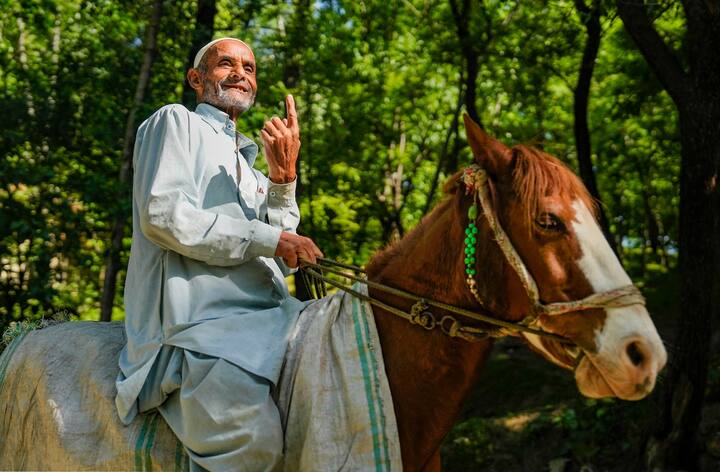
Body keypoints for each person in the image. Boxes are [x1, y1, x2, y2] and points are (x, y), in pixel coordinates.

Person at [114, 37, 322, 471]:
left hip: (274, 318)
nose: (240, 73)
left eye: (249, 67)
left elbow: (283, 247)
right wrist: (273, 240)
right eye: (225, 63)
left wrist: (283, 180)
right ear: (196, 78)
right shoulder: (174, 122)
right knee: (251, 444)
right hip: (203, 329)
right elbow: (164, 215)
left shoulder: (251, 165)